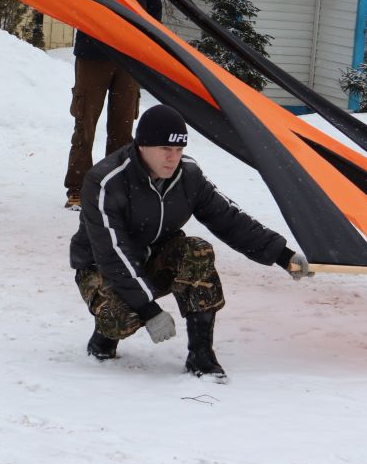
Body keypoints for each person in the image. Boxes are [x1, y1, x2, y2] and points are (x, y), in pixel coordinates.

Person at [70, 104, 313, 378]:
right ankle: (104, 335)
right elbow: (112, 253)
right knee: (120, 317)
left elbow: (229, 218)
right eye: (165, 149)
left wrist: (283, 255)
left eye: (179, 150)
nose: (173, 158)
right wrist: (150, 310)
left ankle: (201, 354)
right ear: (142, 145)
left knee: (197, 251)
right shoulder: (105, 181)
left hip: (153, 258)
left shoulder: (188, 175)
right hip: (101, 268)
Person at [62, 0, 163, 210]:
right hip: (93, 53)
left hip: (129, 57)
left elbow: (154, 10)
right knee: (85, 123)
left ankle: (115, 188)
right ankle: (78, 189)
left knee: (122, 128)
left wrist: (149, 47)